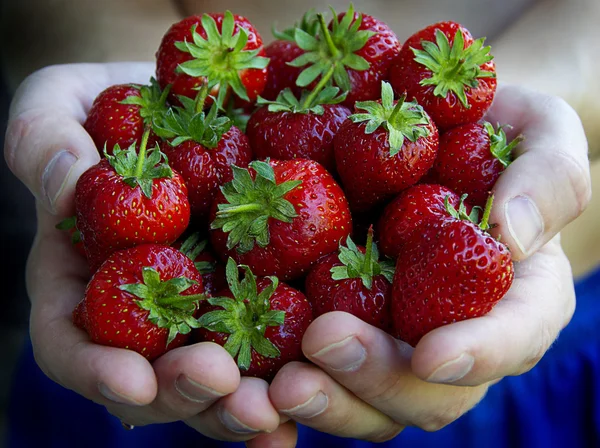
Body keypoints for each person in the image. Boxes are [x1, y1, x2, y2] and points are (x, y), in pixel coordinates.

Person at [2, 0, 599, 446]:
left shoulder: (400, 158)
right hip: (177, 340)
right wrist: (120, 90)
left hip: (536, 333)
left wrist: (525, 120)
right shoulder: (243, 166)